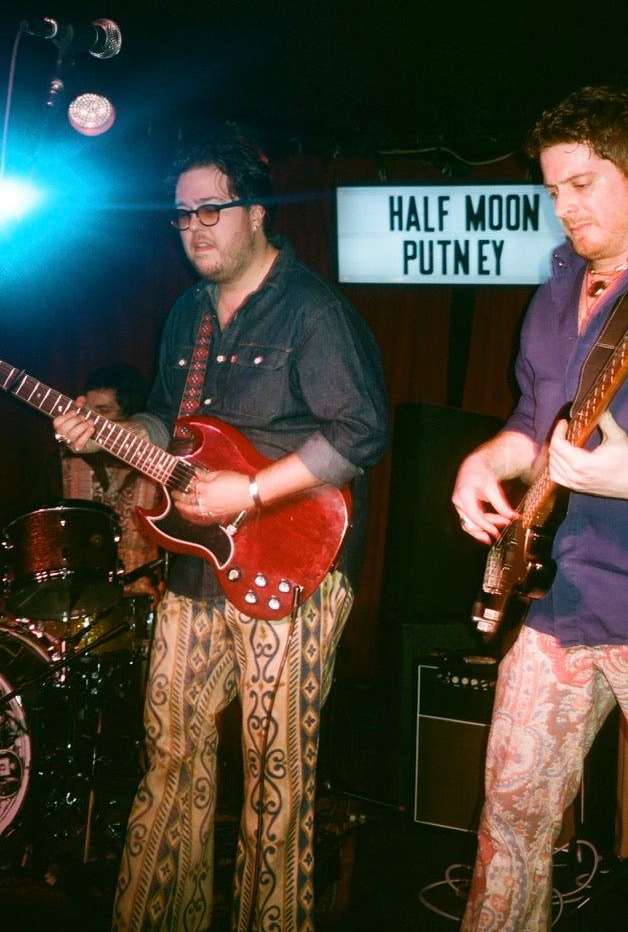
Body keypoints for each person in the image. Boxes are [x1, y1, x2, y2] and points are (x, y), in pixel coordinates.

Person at [52, 130, 390, 932]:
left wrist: (254, 487)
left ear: (258, 211)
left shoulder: (314, 312)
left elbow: (362, 430)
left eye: (212, 209)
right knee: (169, 752)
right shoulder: (186, 316)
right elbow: (170, 420)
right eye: (181, 216)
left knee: (277, 775)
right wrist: (113, 429)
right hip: (199, 566)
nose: (195, 227)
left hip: (296, 564)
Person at [452, 85, 628, 932]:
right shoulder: (556, 287)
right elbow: (538, 423)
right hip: (555, 600)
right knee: (509, 826)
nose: (564, 205)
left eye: (583, 183)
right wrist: (488, 458)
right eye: (553, 188)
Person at [32, 362, 160, 579]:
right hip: (81, 592)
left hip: (146, 596)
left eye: (103, 411)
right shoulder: (62, 462)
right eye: (88, 412)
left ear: (132, 419)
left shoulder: (160, 465)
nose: (90, 423)